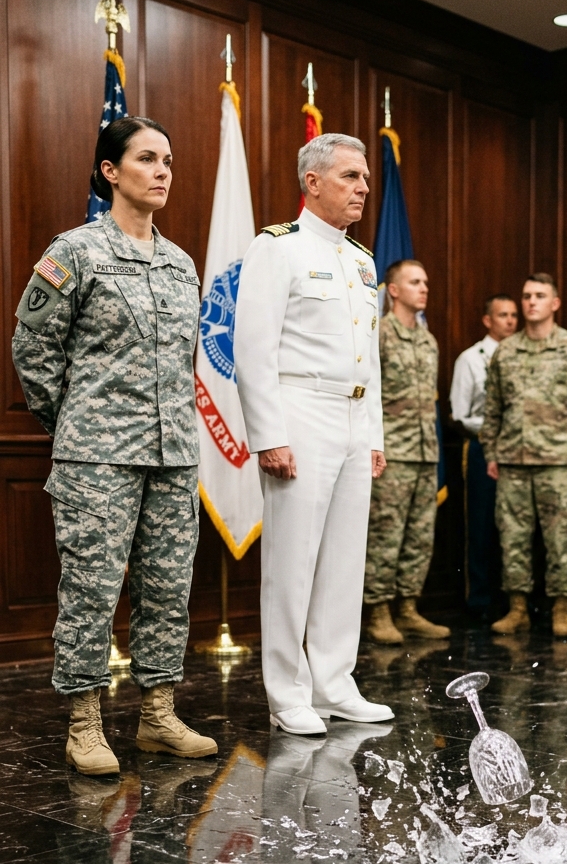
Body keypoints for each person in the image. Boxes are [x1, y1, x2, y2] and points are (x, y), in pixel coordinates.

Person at [12, 117, 217, 775]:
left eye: (169, 161)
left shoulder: (182, 263)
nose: (163, 171)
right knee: (92, 592)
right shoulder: (74, 252)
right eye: (148, 159)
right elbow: (33, 351)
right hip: (97, 458)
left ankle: (157, 716)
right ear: (110, 171)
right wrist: (77, 423)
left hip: (175, 454)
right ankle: (85, 722)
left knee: (166, 589)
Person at [234, 133, 393, 735]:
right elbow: (252, 348)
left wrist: (373, 434)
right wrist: (268, 434)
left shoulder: (361, 260)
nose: (362, 188)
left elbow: (368, 359)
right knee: (292, 561)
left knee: (345, 560)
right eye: (351, 176)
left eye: (365, 179)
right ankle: (287, 691)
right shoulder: (278, 249)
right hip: (300, 413)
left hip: (353, 419)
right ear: (313, 182)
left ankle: (333, 680)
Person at [480, 273, 567, 639]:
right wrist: (491, 451)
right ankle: (518, 608)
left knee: (561, 540)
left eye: (539, 296)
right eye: (526, 296)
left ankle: (562, 608)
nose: (531, 301)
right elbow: (493, 410)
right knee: (513, 539)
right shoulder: (505, 351)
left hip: (560, 463)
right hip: (513, 462)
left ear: (555, 303)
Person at [363, 260, 448, 644]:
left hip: (424, 451)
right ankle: (379, 611)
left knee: (419, 535)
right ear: (393, 290)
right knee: (385, 534)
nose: (424, 288)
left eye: (425, 281)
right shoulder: (378, 335)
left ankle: (409, 608)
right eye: (415, 282)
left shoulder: (428, 340)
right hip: (392, 451)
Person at [450, 295, 518, 619]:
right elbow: (460, 414)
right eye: (502, 315)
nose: (510, 321)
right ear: (487, 320)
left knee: (514, 528)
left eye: (513, 315)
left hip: (518, 452)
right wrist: (497, 427)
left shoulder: (521, 355)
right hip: (481, 447)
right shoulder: (471, 359)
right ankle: (479, 602)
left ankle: (512, 603)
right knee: (480, 527)